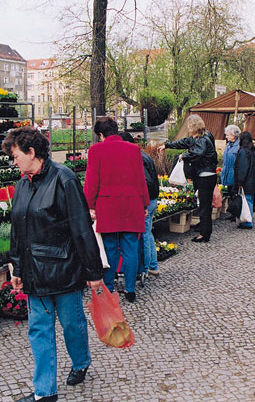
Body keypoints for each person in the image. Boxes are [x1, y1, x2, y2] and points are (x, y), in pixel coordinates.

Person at [3, 127, 104, 402]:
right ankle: (45, 392)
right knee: (39, 331)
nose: (14, 162)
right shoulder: (24, 184)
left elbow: (82, 228)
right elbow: (17, 231)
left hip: (64, 270)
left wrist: (94, 272)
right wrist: (18, 269)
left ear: (31, 152)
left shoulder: (64, 180)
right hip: (35, 274)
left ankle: (81, 362)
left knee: (72, 324)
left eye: (15, 156)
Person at [84, 117, 150, 302]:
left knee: (110, 249)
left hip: (107, 206)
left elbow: (91, 181)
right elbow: (140, 179)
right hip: (132, 204)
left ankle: (109, 288)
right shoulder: (133, 149)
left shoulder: (96, 150)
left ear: (100, 134)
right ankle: (130, 289)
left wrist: (89, 205)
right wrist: (144, 204)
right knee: (130, 248)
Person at [162, 114, 218, 242]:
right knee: (204, 205)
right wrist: (167, 145)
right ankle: (204, 229)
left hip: (206, 176)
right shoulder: (200, 137)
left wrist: (184, 156)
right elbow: (184, 142)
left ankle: (204, 234)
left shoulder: (203, 139)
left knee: (204, 205)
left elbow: (198, 152)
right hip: (205, 175)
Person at [119, 132, 160, 277]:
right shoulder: (142, 154)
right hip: (152, 200)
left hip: (147, 201)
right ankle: (153, 265)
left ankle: (145, 268)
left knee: (144, 235)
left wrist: (140, 200)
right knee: (148, 233)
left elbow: (146, 182)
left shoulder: (138, 157)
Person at [234, 131, 255, 229]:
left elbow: (242, 168)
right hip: (252, 179)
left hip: (246, 181)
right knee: (249, 200)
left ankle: (247, 221)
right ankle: (248, 219)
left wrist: (240, 182)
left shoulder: (243, 152)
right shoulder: (251, 150)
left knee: (246, 200)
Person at [221, 124, 241, 213]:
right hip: (227, 173)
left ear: (233, 135)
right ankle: (233, 212)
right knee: (230, 193)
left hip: (234, 174)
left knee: (235, 193)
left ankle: (236, 213)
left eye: (228, 135)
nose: (226, 136)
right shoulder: (228, 145)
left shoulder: (238, 146)